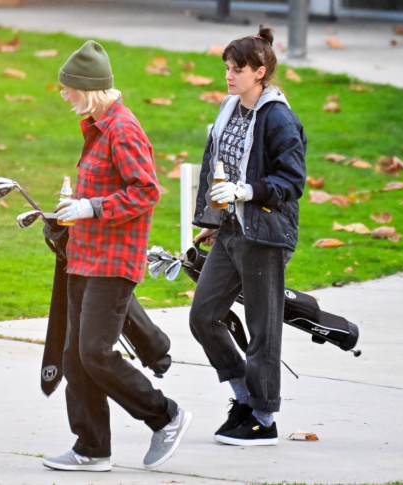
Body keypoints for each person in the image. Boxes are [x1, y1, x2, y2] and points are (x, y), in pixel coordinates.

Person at [42, 40, 191, 472]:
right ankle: (91, 448)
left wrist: (92, 208)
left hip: (113, 261)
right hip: (84, 256)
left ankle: (166, 416)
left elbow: (145, 192)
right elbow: (101, 188)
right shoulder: (97, 126)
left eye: (67, 88)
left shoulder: (123, 129)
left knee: (95, 353)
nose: (64, 94)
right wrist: (67, 214)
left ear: (87, 88)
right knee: (75, 357)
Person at [189, 26, 307, 446]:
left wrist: (246, 191)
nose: (229, 75)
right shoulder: (228, 109)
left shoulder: (278, 117)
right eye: (227, 68)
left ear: (261, 72)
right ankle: (245, 396)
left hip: (266, 234)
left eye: (237, 69)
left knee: (263, 329)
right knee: (203, 316)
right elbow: (213, 164)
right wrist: (210, 218)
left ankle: (263, 417)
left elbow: (292, 181)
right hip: (231, 231)